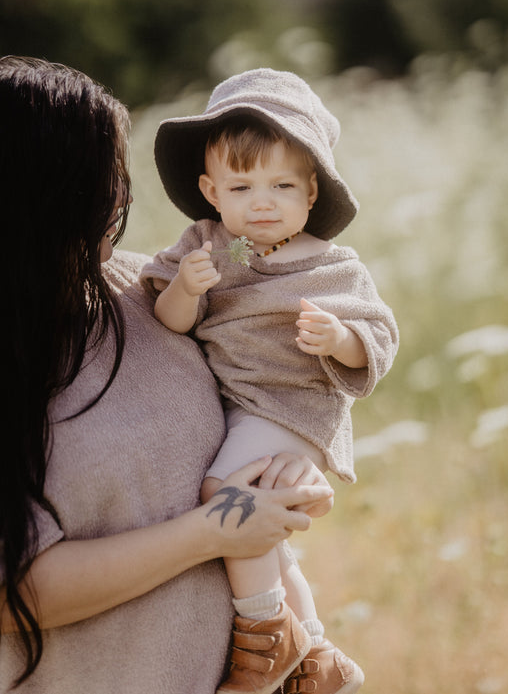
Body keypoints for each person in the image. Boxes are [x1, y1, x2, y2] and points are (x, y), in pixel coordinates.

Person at [0, 56, 335, 694]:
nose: (123, 196)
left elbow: (251, 399)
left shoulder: (143, 288)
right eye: (106, 176)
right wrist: (215, 528)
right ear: (45, 190)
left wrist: (289, 467)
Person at [141, 68, 400, 694]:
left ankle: (264, 631)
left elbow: (381, 336)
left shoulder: (330, 264)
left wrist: (340, 339)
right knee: (267, 537)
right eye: (242, 185)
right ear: (210, 190)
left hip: (292, 409)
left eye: (282, 184)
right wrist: (184, 289)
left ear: (311, 193)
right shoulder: (210, 245)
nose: (262, 201)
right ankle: (315, 651)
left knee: (223, 496)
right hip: (236, 408)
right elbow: (168, 320)